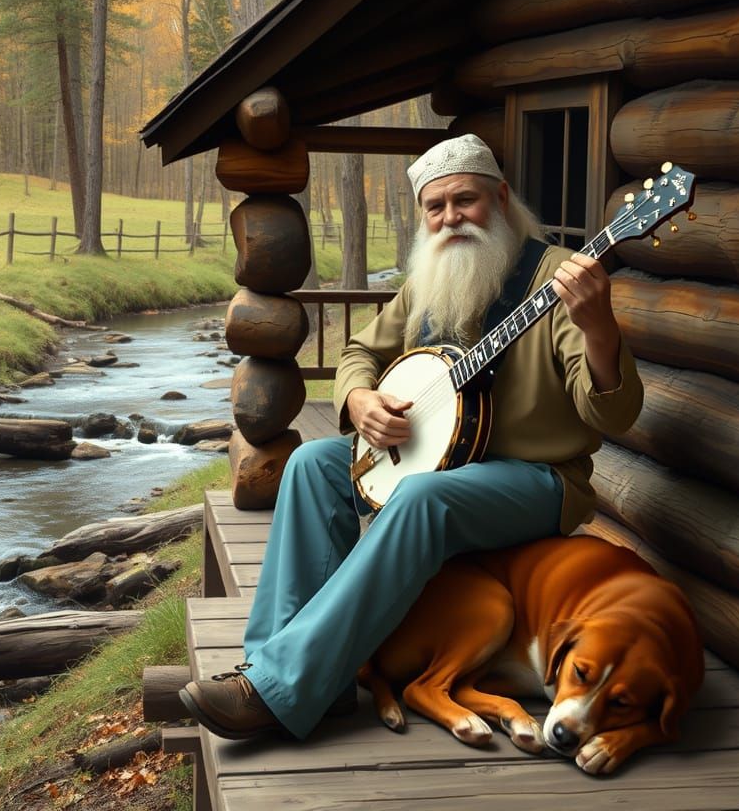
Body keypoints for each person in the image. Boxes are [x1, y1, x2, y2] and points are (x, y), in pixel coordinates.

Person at [179, 134, 644, 742]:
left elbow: (612, 415)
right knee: (314, 463)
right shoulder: (431, 280)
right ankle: (278, 668)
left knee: (420, 496)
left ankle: (277, 689)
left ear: (500, 199)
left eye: (466, 201)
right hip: (452, 464)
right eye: (436, 206)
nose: (450, 217)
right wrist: (357, 399)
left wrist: (600, 329)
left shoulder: (556, 279)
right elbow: (359, 351)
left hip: (536, 479)